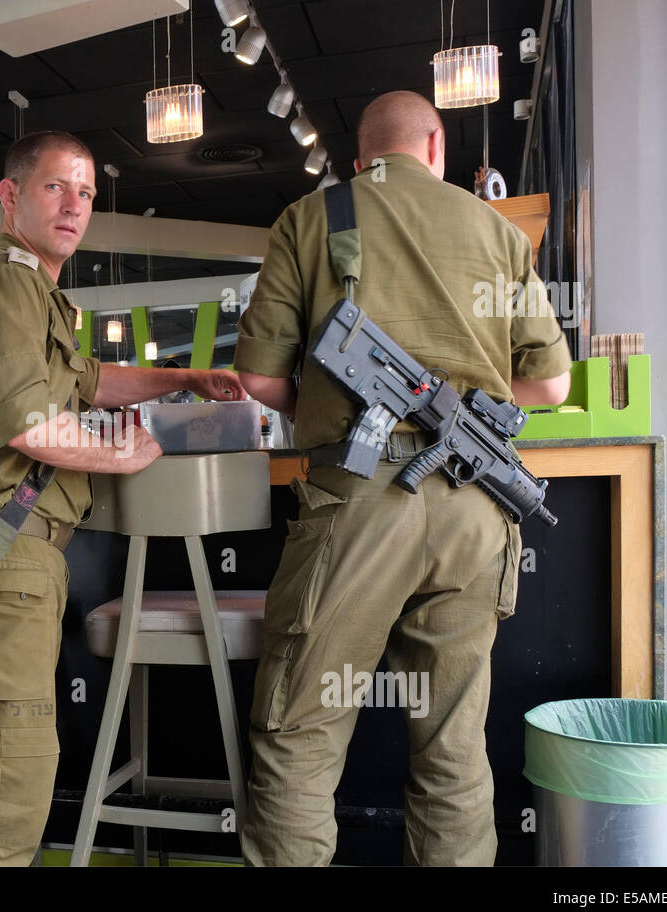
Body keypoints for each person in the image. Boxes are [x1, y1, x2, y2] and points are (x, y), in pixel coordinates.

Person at [233, 91, 572, 866]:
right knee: (453, 745)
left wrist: (330, 404)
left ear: (359, 163)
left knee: (300, 733)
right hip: (477, 512)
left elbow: (255, 377)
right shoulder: (498, 230)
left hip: (356, 502)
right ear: (435, 148)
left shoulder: (314, 217)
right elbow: (550, 386)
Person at [0, 130, 247, 866]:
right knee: (3, 799)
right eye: (55, 188)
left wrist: (181, 380)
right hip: (4, 558)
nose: (76, 206)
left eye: (88, 194)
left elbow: (90, 380)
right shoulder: (6, 281)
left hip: (11, 561)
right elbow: (24, 420)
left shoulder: (36, 290)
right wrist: (119, 451)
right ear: (11, 195)